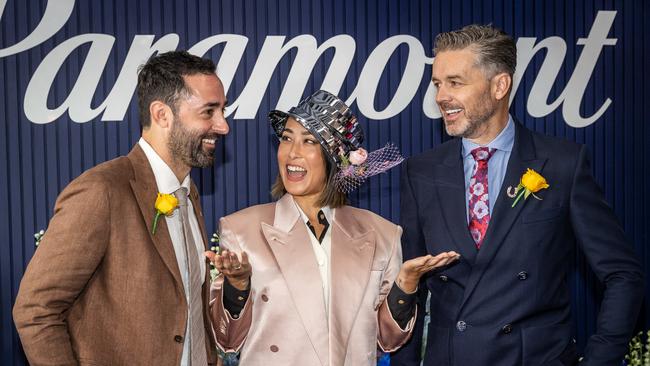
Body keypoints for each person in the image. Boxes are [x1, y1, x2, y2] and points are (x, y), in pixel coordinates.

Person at [391, 24, 644, 366]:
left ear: (500, 85)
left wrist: (600, 360)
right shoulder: (420, 172)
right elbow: (413, 285)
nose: (440, 97)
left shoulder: (562, 164)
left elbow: (623, 275)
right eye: (437, 84)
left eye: (455, 83)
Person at [205, 90, 459, 365]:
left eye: (309, 142)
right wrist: (238, 286)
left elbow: (387, 340)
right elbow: (227, 340)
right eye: (287, 138)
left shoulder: (382, 234)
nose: (292, 153)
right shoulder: (241, 229)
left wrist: (406, 284)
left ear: (334, 158)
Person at [13, 51, 229, 365]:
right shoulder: (102, 190)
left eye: (222, 110)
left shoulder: (188, 193)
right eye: (209, 112)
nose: (223, 126)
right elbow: (35, 310)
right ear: (162, 115)